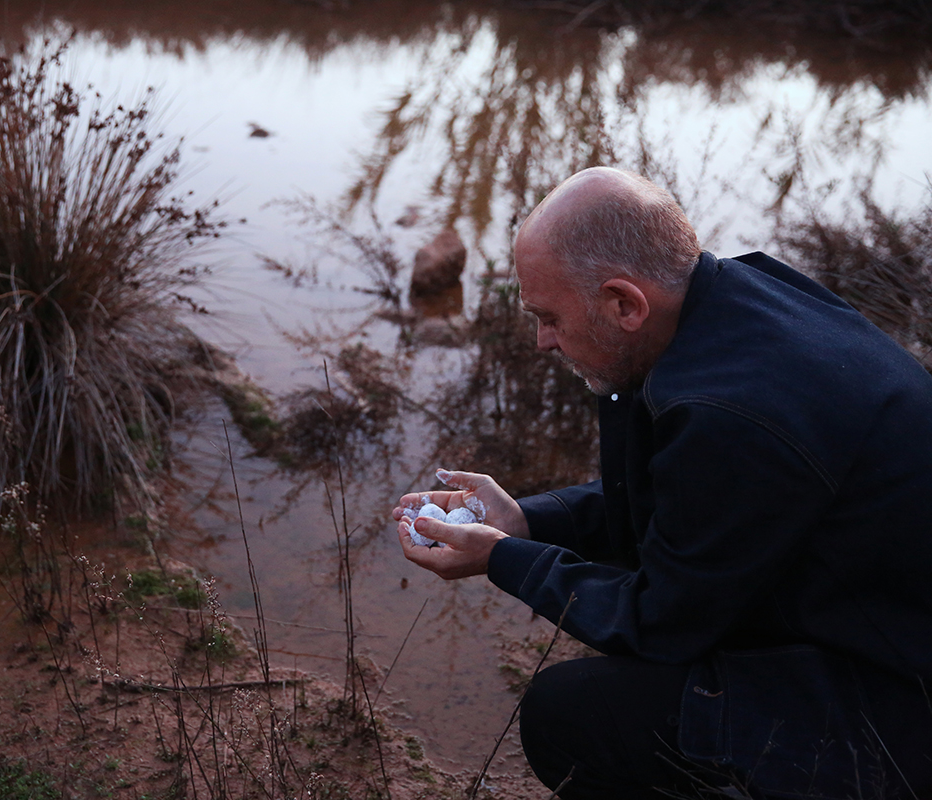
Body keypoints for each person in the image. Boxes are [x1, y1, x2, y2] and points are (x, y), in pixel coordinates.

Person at [393, 167, 932, 799]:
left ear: (625, 303)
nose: (541, 342)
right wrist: (530, 521)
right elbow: (693, 498)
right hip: (875, 618)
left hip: (903, 704)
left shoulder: (732, 412)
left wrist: (505, 559)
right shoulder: (740, 293)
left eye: (550, 317)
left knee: (570, 715)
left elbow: (661, 623)